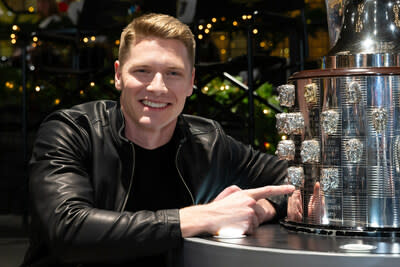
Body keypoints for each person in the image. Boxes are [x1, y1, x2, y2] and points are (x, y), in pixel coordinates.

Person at [22, 13, 294, 266]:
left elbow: (296, 177)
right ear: (118, 75)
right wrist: (204, 216)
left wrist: (262, 209)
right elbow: (68, 229)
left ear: (191, 82)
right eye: (142, 71)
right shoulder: (72, 131)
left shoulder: (209, 141)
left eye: (173, 73)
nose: (157, 87)